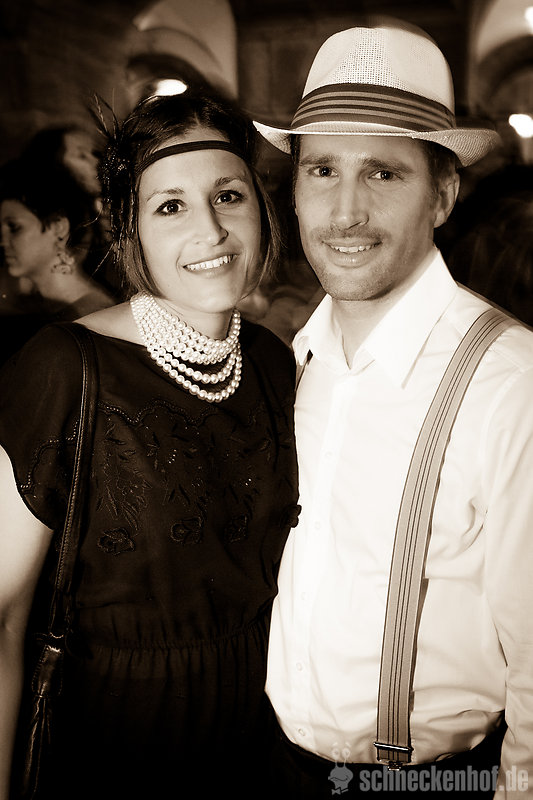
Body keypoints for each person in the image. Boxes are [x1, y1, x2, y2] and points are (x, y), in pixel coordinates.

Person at [253, 20, 533, 799]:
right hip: (273, 766)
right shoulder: (292, 362)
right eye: (321, 170)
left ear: (441, 195)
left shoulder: (508, 382)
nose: (344, 212)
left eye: (382, 173)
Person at [0, 88, 299, 799]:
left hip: (262, 743)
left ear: (260, 208)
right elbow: (3, 616)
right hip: (115, 745)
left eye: (227, 196)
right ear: (128, 230)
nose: (210, 230)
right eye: (170, 206)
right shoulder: (64, 366)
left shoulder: (270, 360)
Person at [0, 158, 116, 363]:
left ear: (58, 228)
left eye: (14, 228)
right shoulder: (34, 310)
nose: (3, 242)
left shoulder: (91, 321)